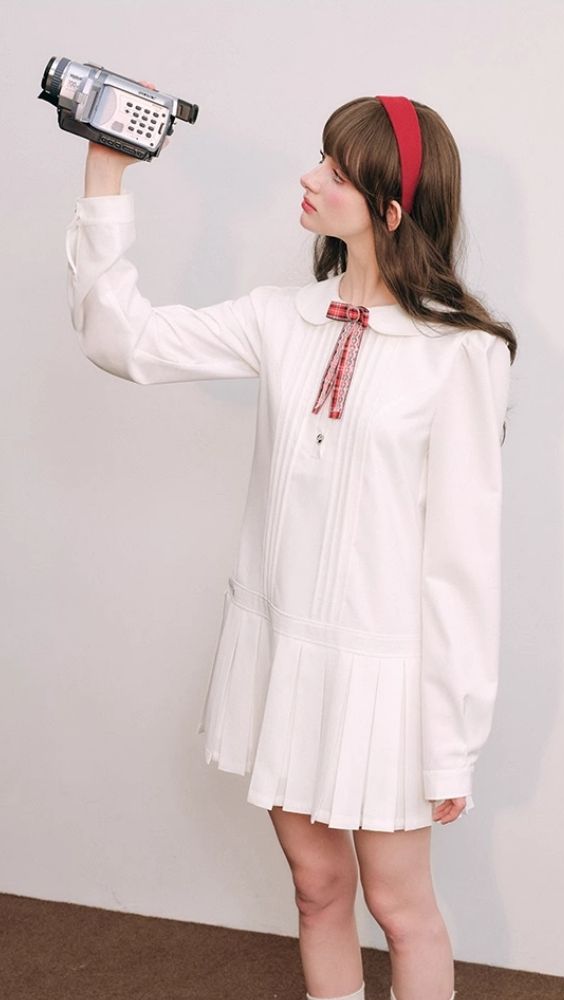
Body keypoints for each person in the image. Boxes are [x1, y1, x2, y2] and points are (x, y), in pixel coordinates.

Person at [65, 88, 517, 1000]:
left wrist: (452, 740)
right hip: (283, 653)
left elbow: (462, 562)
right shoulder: (281, 318)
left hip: (386, 680)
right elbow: (125, 341)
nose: (309, 179)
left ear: (391, 210)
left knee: (401, 907)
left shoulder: (460, 355)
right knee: (317, 890)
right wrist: (106, 169)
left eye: (336, 173)